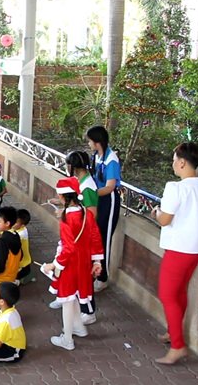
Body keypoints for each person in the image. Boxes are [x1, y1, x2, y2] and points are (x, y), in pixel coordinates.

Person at [150, 142, 198, 365]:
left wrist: (156, 212)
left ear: (182, 162)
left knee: (168, 295)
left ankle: (178, 346)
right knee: (179, 293)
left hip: (179, 249)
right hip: (197, 249)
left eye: (174, 159)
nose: (173, 163)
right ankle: (173, 332)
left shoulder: (175, 188)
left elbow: (165, 220)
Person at [42, 177, 104, 351]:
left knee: (67, 299)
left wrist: (53, 265)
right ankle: (78, 327)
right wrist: (97, 260)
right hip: (84, 262)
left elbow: (68, 248)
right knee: (75, 295)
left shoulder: (67, 218)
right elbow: (95, 237)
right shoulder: (85, 213)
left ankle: (67, 339)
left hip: (70, 264)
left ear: (62, 197)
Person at [52, 151, 100, 323]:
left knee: (83, 277)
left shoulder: (87, 186)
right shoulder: (81, 182)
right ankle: (66, 297)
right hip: (78, 241)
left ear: (72, 166)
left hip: (81, 244)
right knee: (76, 277)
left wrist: (67, 215)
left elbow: (90, 215)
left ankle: (88, 311)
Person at [87, 125, 121, 293]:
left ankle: (103, 278)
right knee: (96, 238)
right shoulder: (96, 156)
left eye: (90, 141)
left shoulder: (111, 159)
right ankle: (96, 272)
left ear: (97, 142)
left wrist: (89, 194)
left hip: (109, 200)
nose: (88, 144)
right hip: (99, 199)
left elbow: (109, 187)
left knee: (104, 240)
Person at [0, 207, 22, 284]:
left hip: (0, 279)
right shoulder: (16, 235)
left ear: (7, 223)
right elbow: (20, 256)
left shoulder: (2, 242)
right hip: (11, 276)